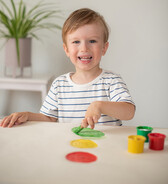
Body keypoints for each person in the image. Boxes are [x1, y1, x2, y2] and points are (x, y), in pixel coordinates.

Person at [0, 8, 135, 129]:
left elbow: (129, 112)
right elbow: (49, 118)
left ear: (104, 48)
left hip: (105, 149)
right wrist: (27, 115)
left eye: (92, 41)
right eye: (76, 42)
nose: (84, 48)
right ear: (66, 49)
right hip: (70, 148)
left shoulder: (112, 81)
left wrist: (98, 106)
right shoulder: (60, 84)